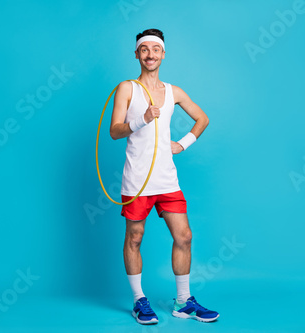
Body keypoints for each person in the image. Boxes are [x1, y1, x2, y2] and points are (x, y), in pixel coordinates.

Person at [110, 28, 219, 325]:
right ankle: (138, 301)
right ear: (136, 54)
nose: (150, 54)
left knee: (184, 236)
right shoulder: (127, 88)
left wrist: (183, 144)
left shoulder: (174, 92)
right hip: (137, 178)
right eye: (144, 49)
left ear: (163, 54)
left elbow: (202, 119)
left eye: (155, 49)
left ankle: (183, 302)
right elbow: (114, 131)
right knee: (135, 236)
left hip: (166, 179)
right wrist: (141, 119)